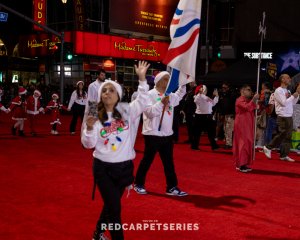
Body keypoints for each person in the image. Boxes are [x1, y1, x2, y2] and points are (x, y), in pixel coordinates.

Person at [81, 61, 150, 240]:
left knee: (110, 206)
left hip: (124, 169)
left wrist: (142, 79)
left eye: (111, 90)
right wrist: (88, 129)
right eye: (104, 90)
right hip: (103, 169)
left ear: (118, 95)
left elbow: (143, 101)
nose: (107, 93)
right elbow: (88, 144)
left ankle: (98, 233)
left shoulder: (126, 111)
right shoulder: (95, 115)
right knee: (115, 208)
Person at [134, 71, 188, 197]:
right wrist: (161, 102)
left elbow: (180, 94)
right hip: (152, 134)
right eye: (165, 79)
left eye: (169, 79)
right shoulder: (149, 95)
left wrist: (183, 83)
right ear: (158, 81)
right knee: (147, 160)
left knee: (169, 163)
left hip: (167, 135)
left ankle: (171, 187)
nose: (168, 82)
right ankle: (138, 184)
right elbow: (150, 113)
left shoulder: (170, 95)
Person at [263, 74, 300, 162]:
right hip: (282, 115)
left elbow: (292, 103)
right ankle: (268, 147)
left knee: (288, 136)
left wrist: (297, 94)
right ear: (282, 79)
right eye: (288, 77)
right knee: (283, 133)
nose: (290, 79)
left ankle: (284, 155)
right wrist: (293, 96)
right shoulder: (278, 91)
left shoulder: (287, 91)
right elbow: (284, 103)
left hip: (289, 115)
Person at [233, 85, 259, 172]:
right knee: (243, 143)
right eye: (248, 90)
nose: (250, 91)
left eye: (250, 90)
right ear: (242, 91)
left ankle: (244, 163)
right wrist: (254, 100)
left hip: (248, 124)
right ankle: (241, 164)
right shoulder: (239, 100)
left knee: (247, 142)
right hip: (242, 125)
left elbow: (252, 107)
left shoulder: (247, 100)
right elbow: (247, 107)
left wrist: (255, 104)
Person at [191, 84, 219, 151]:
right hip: (199, 116)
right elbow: (196, 100)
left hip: (207, 116)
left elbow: (213, 103)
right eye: (204, 89)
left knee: (211, 133)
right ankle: (194, 146)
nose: (205, 91)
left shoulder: (206, 97)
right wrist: (200, 93)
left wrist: (216, 96)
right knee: (197, 133)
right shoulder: (198, 96)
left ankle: (214, 146)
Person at [216, 82, 236, 149]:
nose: (223, 89)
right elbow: (221, 105)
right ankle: (228, 143)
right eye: (222, 87)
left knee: (229, 129)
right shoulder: (222, 95)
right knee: (225, 129)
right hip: (225, 114)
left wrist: (234, 113)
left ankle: (229, 144)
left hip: (231, 114)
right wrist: (221, 114)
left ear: (228, 87)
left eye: (225, 87)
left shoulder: (232, 95)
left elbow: (234, 105)